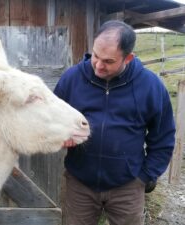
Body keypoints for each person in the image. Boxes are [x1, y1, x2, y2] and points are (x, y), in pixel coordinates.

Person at [54, 20, 176, 225]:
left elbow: (163, 137)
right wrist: (60, 135)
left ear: (128, 58)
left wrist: (144, 176)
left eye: (109, 61)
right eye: (95, 56)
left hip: (128, 187)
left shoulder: (151, 86)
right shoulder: (71, 79)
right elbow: (52, 121)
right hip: (80, 184)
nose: (98, 65)